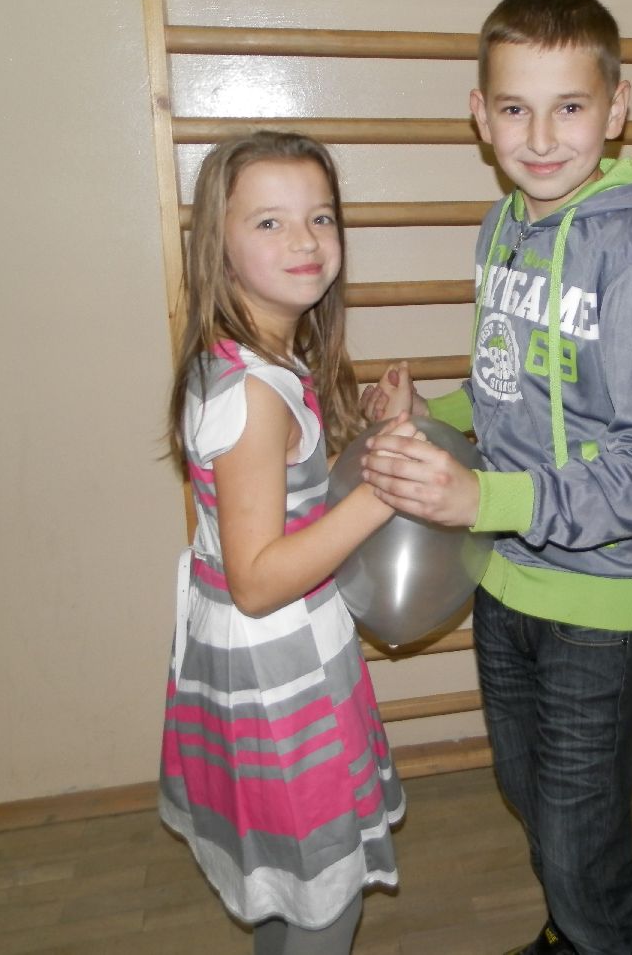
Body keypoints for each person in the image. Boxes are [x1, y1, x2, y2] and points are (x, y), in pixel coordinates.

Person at [360, 0, 632, 955]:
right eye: (515, 107)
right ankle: (570, 937)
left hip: (595, 598)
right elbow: (507, 387)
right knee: (534, 796)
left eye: (570, 106)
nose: (541, 137)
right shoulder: (504, 225)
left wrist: (484, 496)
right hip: (504, 572)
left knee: (585, 851)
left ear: (617, 107)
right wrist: (434, 417)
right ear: (480, 115)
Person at [160, 130, 417, 954]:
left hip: (268, 657)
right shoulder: (254, 392)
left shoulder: (261, 358)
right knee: (323, 894)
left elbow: (288, 501)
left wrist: (365, 438)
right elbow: (261, 577)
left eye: (320, 217)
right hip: (278, 668)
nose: (305, 240)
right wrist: (382, 491)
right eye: (269, 222)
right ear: (220, 246)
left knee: (285, 876)